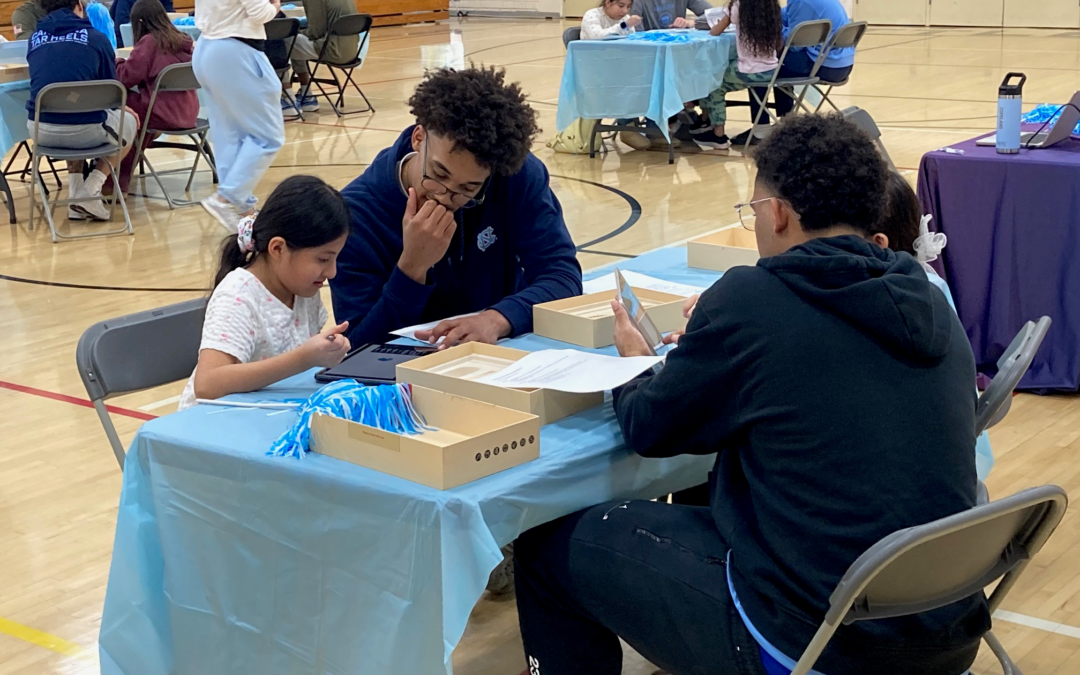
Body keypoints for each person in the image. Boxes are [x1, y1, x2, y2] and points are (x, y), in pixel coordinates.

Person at [513, 113, 989, 675]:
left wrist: (637, 364)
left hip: (818, 642)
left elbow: (649, 428)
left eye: (754, 210)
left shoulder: (753, 297)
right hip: (946, 629)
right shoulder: (929, 297)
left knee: (545, 544)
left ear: (778, 213)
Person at [331, 66, 583, 347]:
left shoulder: (515, 176)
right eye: (438, 174)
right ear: (418, 137)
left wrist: (497, 319)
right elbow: (357, 346)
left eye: (468, 189)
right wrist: (413, 268)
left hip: (500, 352)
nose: (444, 197)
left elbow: (562, 276)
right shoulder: (354, 215)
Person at [178, 175, 353, 411]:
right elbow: (208, 385)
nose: (331, 272)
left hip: (266, 416)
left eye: (335, 259)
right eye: (323, 259)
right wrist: (303, 359)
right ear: (278, 248)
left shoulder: (301, 289)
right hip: (212, 426)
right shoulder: (238, 296)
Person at [26, 0, 139, 221]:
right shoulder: (97, 39)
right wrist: (123, 109)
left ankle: (75, 194)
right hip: (85, 131)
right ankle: (91, 189)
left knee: (68, 112)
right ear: (79, 5)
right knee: (129, 121)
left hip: (40, 130)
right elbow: (111, 91)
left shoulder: (34, 40)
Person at [193, 0, 285, 232]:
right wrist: (275, 5)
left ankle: (245, 211)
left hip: (206, 48)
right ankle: (226, 198)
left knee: (229, 134)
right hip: (234, 50)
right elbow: (259, 12)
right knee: (268, 136)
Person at [736, 0, 856, 146]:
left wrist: (764, 26)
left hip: (826, 66)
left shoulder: (801, 1)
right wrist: (771, 16)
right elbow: (786, 16)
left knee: (760, 65)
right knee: (781, 65)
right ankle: (786, 121)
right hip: (842, 64)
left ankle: (761, 129)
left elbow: (791, 42)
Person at [115, 0, 198, 194]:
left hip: (161, 113)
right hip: (188, 113)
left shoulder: (150, 42)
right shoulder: (183, 39)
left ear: (140, 22)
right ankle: (118, 174)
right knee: (139, 113)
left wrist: (117, 61)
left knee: (121, 105)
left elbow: (126, 76)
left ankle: (115, 178)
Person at [695, 0, 781, 150]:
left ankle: (718, 135)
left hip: (750, 71)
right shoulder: (771, 5)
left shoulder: (738, 6)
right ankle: (706, 122)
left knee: (713, 83)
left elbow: (716, 31)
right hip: (771, 69)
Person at [283, 0, 358, 113]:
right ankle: (306, 95)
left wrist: (296, 31)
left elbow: (315, 32)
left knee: (282, 40)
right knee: (295, 42)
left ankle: (288, 99)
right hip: (351, 51)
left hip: (332, 50)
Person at [634, 0, 710, 31]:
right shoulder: (636, 2)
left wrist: (690, 23)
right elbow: (633, 32)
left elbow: (714, 15)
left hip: (678, 47)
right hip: (650, 50)